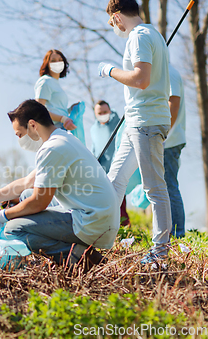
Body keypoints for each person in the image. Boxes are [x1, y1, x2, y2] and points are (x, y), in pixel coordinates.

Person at [0, 100, 119, 270]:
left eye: (19, 134)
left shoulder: (52, 149)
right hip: (101, 216)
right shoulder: (63, 138)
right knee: (26, 195)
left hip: (94, 221)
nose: (20, 140)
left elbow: (39, 203)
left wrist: (1, 216)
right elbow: (27, 183)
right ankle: (76, 250)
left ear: (32, 125)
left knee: (13, 229)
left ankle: (83, 258)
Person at [98, 0, 171, 264]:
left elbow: (141, 79)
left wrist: (110, 70)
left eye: (111, 21)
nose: (113, 26)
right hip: (136, 121)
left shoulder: (138, 37)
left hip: (147, 122)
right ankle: (100, 237)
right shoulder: (154, 34)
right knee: (114, 181)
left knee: (154, 189)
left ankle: (160, 254)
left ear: (117, 17)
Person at [91, 100, 130, 226]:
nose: (103, 114)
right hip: (102, 172)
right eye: (100, 112)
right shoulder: (94, 129)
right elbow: (94, 148)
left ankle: (124, 226)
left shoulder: (116, 122)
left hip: (118, 168)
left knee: (120, 201)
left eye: (105, 112)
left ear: (110, 111)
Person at [165, 64, 186, 238]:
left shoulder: (169, 72)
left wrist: (162, 135)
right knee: (166, 188)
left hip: (169, 141)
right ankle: (171, 233)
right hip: (169, 140)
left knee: (170, 187)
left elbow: (174, 104)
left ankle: (178, 234)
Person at [34, 49, 77, 131]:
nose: (57, 63)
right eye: (53, 61)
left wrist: (69, 110)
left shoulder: (55, 83)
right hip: (51, 131)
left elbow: (55, 108)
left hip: (60, 129)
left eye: (60, 60)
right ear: (47, 64)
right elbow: (38, 111)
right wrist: (63, 119)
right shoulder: (45, 81)